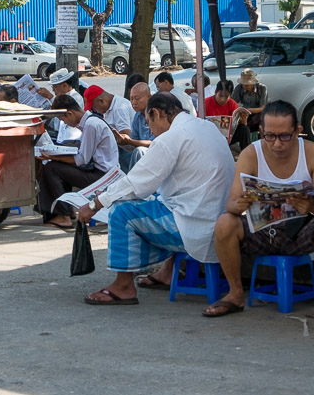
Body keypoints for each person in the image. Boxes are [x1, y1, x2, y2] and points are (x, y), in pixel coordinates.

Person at [76, 92, 234, 304]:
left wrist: (95, 204)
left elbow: (136, 184)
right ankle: (167, 271)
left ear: (157, 113)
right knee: (160, 199)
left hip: (196, 227)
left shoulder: (171, 138)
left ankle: (123, 286)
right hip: (218, 222)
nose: (150, 130)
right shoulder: (206, 127)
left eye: (149, 122)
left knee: (121, 213)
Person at [207, 100, 314, 321]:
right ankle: (235, 294)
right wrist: (240, 204)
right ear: (261, 131)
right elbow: (231, 205)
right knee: (225, 223)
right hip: (262, 232)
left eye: (285, 136)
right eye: (270, 136)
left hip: (300, 231)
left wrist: (312, 206)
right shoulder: (250, 154)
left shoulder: (313, 152)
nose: (277, 144)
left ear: (298, 131)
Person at [37, 94, 119, 229]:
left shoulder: (91, 125)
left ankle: (63, 215)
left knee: (51, 168)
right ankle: (67, 211)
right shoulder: (90, 122)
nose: (63, 123)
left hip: (103, 176)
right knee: (57, 166)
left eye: (62, 119)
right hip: (100, 172)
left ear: (70, 113)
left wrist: (53, 156)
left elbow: (81, 160)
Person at [84, 85, 133, 170]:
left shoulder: (119, 109)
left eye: (94, 107)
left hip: (126, 153)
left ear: (101, 101)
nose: (95, 111)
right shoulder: (109, 107)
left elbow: (125, 137)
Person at [114, 82, 154, 169]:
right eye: (131, 99)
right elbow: (134, 140)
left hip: (155, 153)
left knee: (139, 151)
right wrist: (122, 141)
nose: (134, 102)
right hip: (140, 153)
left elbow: (154, 143)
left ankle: (132, 181)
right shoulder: (138, 115)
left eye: (137, 98)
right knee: (116, 149)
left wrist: (130, 141)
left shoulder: (156, 114)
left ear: (149, 97)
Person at [204, 79, 251, 152]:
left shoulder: (232, 104)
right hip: (210, 137)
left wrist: (244, 119)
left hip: (228, 137)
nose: (223, 99)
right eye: (220, 95)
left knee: (244, 129)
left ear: (230, 95)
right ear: (216, 92)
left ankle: (247, 154)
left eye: (226, 96)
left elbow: (242, 125)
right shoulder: (206, 103)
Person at [43, 67, 83, 143]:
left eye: (55, 86)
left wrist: (51, 98)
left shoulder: (75, 98)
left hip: (69, 138)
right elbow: (53, 122)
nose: (53, 89)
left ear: (64, 85)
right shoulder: (60, 98)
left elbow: (62, 123)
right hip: (57, 134)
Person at [231, 68, 267, 133]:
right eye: (243, 84)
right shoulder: (239, 88)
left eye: (247, 85)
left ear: (253, 83)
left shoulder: (262, 88)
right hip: (245, 114)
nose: (245, 86)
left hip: (258, 113)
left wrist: (250, 110)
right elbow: (231, 102)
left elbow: (263, 107)